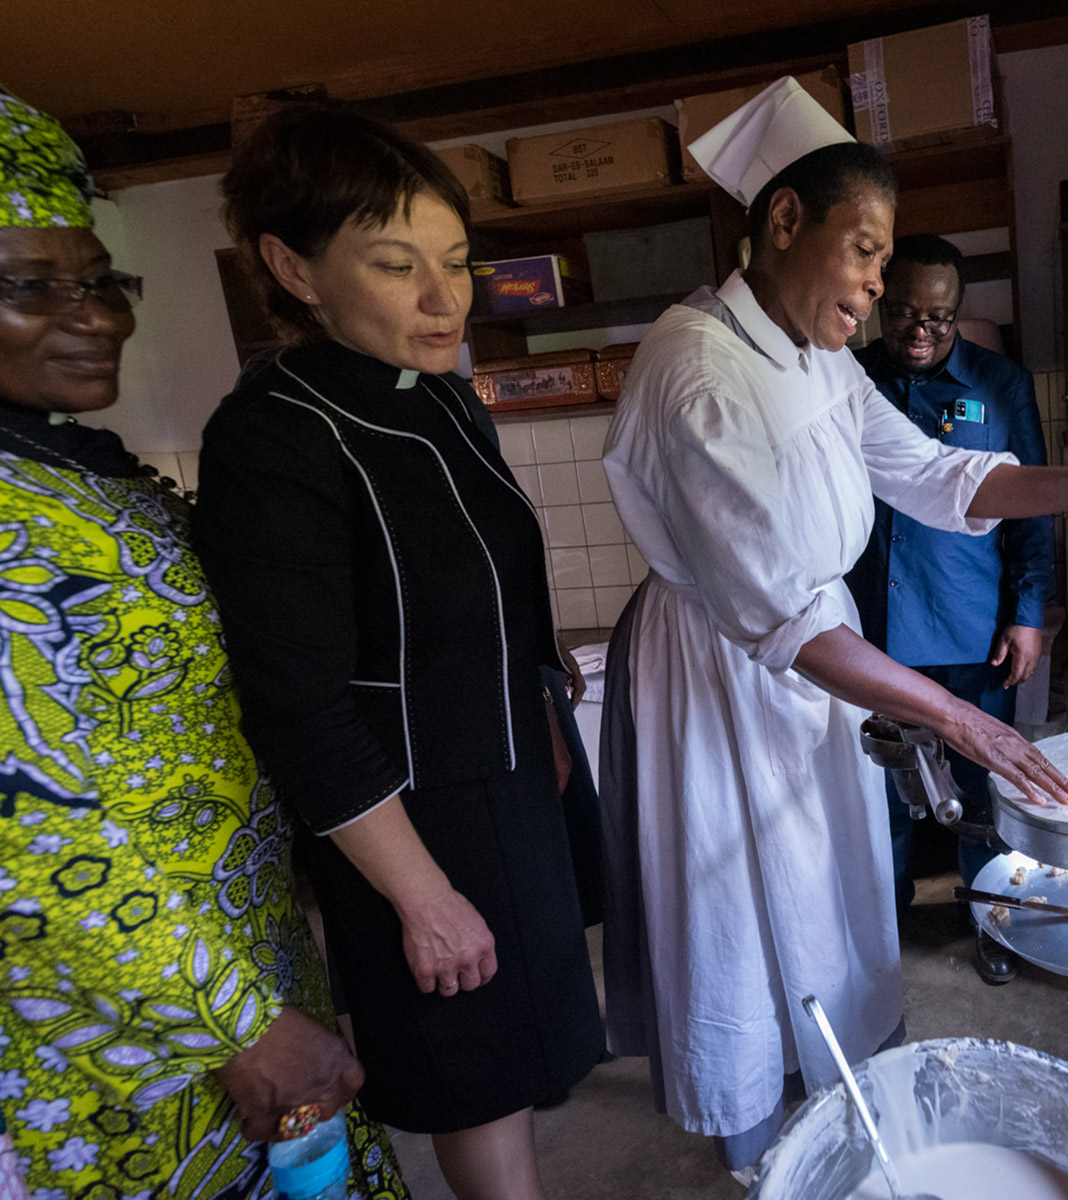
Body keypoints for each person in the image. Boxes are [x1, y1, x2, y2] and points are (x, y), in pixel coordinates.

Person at [595, 77, 1068, 1173]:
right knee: (744, 902)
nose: (882, 284)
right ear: (784, 222)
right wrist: (959, 722)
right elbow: (773, 615)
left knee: (832, 891)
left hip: (812, 650)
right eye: (866, 250)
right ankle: (762, 1148)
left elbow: (933, 474)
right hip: (729, 670)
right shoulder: (695, 371)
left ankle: (845, 1113)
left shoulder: (817, 354)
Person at [192, 106, 605, 1200]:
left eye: (459, 264)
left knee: (522, 1056)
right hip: (412, 822)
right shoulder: (275, 435)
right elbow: (299, 707)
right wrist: (422, 897)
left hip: (510, 778)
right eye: (394, 264)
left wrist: (546, 711)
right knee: (474, 1075)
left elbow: (487, 580)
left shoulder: (448, 399)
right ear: (293, 266)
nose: (443, 299)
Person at [0, 89, 405, 1199]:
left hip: (239, 966)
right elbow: (24, 838)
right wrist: (242, 1027)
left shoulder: (72, 472)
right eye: (30, 286)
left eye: (98, 281)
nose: (93, 316)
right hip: (107, 1044)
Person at [846, 233, 1052, 986]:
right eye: (901, 312)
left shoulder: (999, 385)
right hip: (865, 633)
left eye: (938, 317)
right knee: (882, 791)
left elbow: (1032, 508)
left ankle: (992, 919)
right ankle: (884, 925)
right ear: (878, 304)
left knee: (981, 786)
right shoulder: (848, 379)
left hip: (969, 628)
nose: (919, 332)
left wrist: (1028, 611)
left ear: (958, 313)